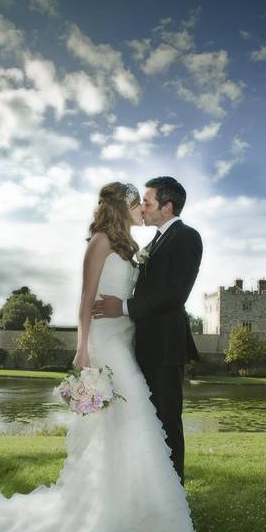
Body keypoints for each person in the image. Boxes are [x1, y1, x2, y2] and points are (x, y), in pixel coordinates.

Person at [0, 181, 195, 532]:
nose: (143, 208)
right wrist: (82, 348)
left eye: (148, 203)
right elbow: (85, 299)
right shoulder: (100, 242)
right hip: (105, 342)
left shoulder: (131, 247)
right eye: (139, 203)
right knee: (128, 415)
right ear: (123, 207)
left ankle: (140, 507)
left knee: (136, 420)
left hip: (127, 339)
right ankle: (110, 509)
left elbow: (157, 293)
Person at [92, 176, 203, 485]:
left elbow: (175, 293)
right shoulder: (152, 242)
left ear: (167, 207)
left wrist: (124, 307)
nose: (143, 206)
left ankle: (173, 494)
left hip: (166, 346)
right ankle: (148, 488)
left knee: (167, 421)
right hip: (140, 344)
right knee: (147, 423)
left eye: (149, 202)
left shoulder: (187, 237)